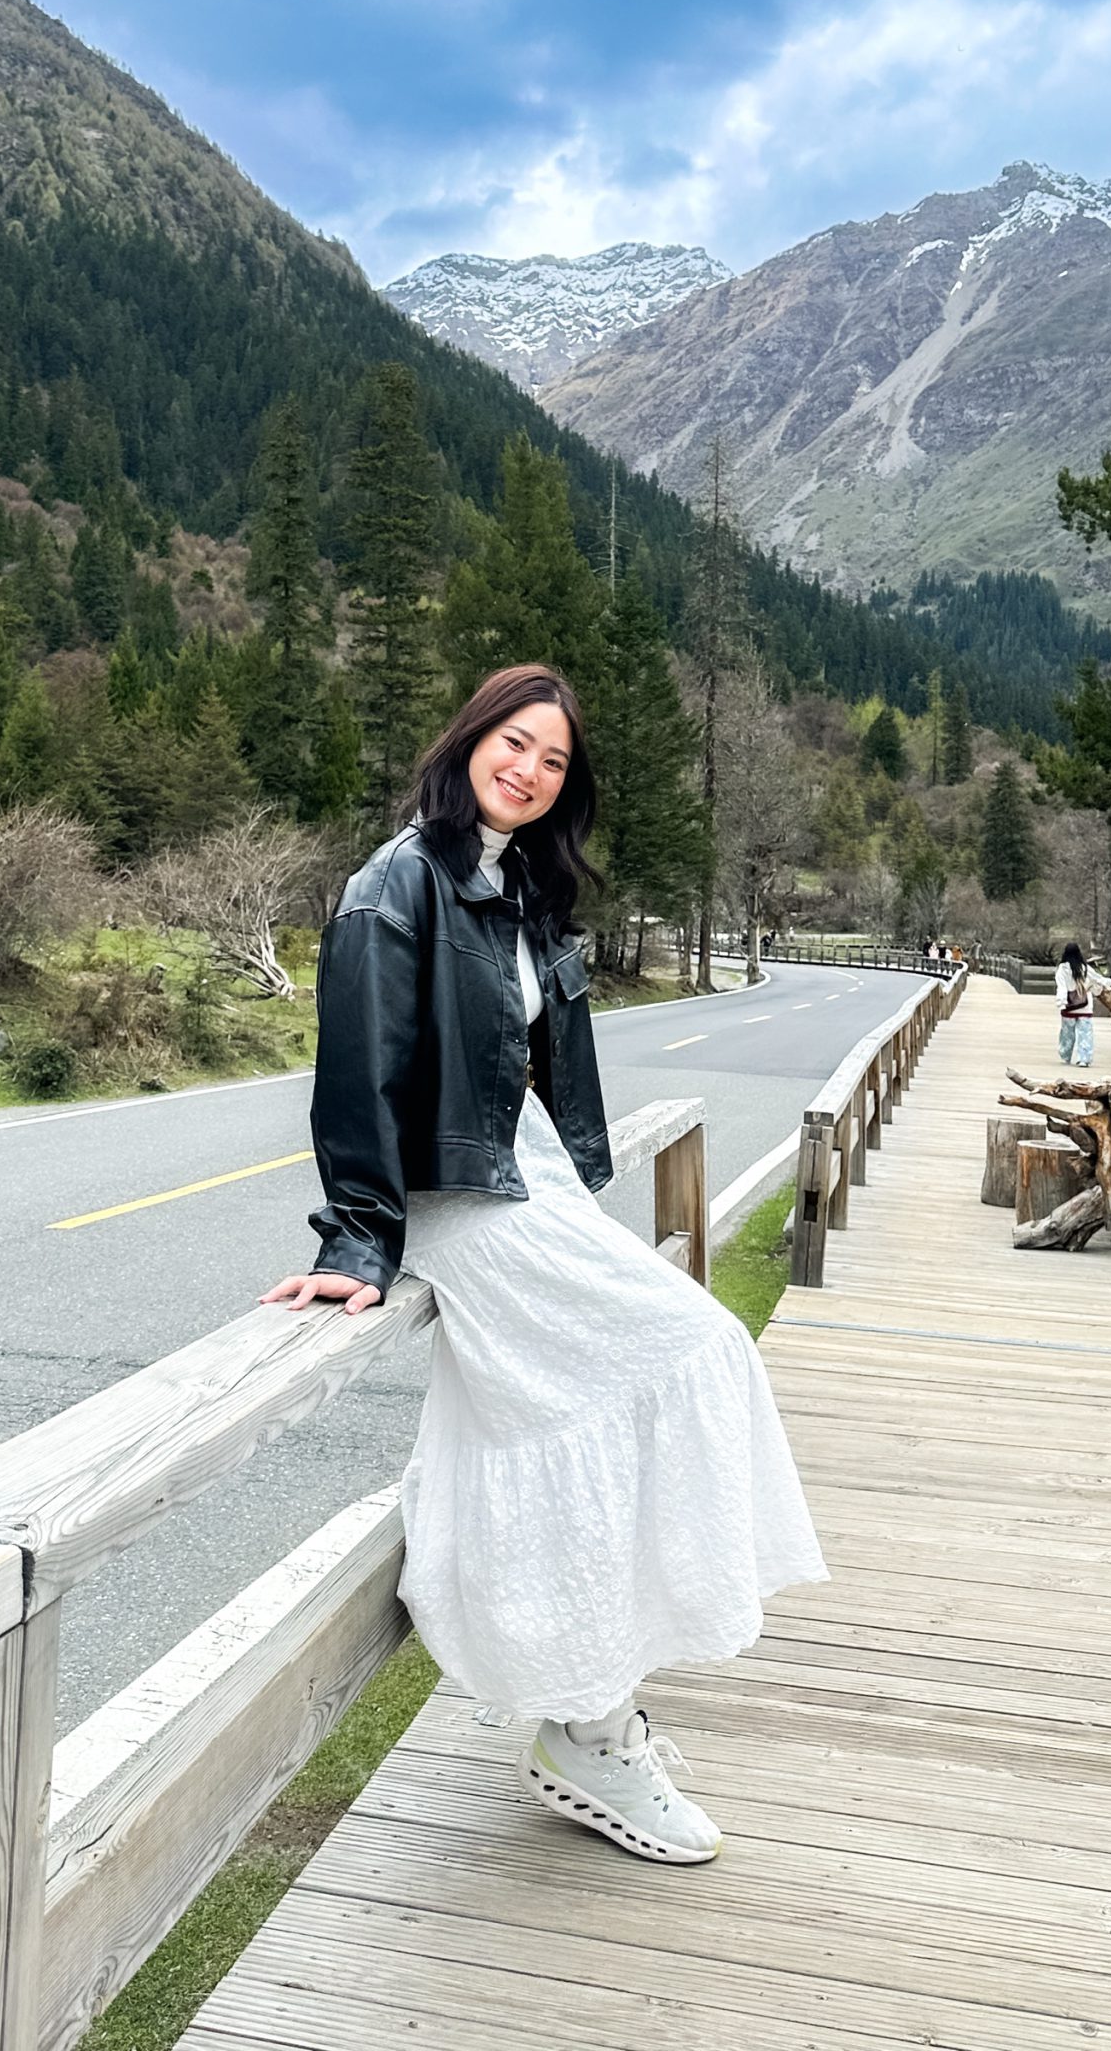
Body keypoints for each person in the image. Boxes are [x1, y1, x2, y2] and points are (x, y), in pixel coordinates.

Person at [262, 665, 825, 1867]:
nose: (528, 770)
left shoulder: (511, 881)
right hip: (463, 1199)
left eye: (554, 760)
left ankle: (596, 1711)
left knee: (607, 1409)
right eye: (513, 743)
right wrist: (356, 1236)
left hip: (531, 1179)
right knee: (684, 1354)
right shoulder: (395, 884)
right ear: (470, 739)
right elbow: (357, 1071)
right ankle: (589, 1731)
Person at [1055, 940, 1096, 1067]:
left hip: (1069, 1006)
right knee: (1085, 1033)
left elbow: (1061, 987)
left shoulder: (1062, 969)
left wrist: (1061, 1002)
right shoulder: (1085, 968)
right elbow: (1097, 980)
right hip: (1085, 1005)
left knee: (1067, 1033)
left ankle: (1065, 1054)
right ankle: (1084, 1058)